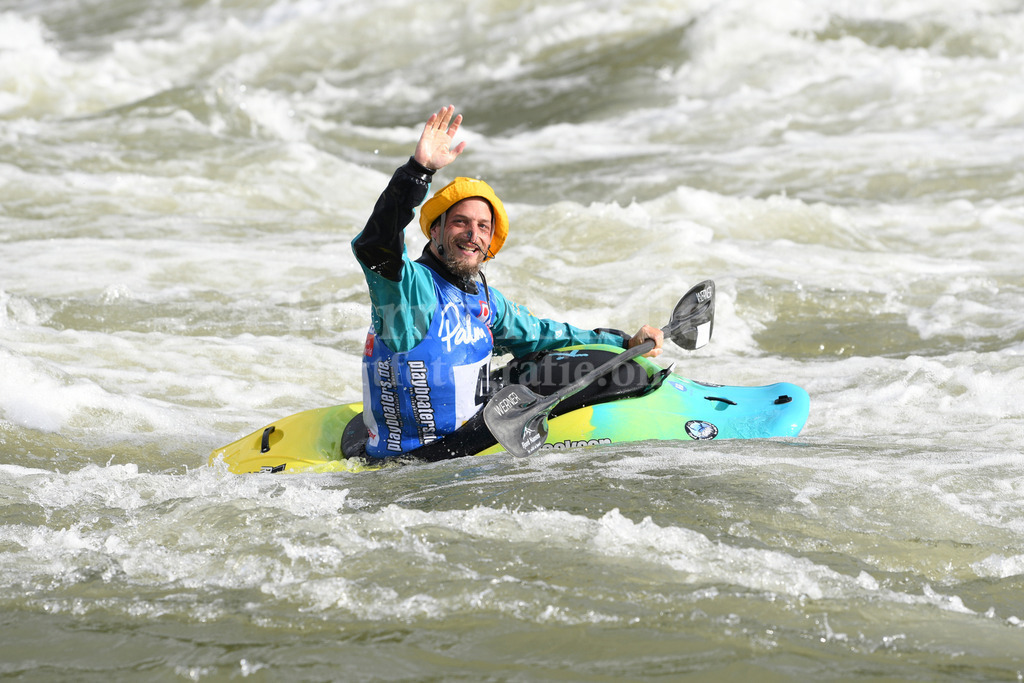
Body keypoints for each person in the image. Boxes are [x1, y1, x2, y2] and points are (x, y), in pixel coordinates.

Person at [351, 105, 663, 460]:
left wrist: (622, 341)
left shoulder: (484, 300)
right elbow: (374, 244)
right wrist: (419, 171)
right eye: (460, 223)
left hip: (468, 435)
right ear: (435, 230)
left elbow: (543, 335)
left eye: (483, 227)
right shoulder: (409, 290)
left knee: (563, 360)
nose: (473, 235)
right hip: (421, 460)